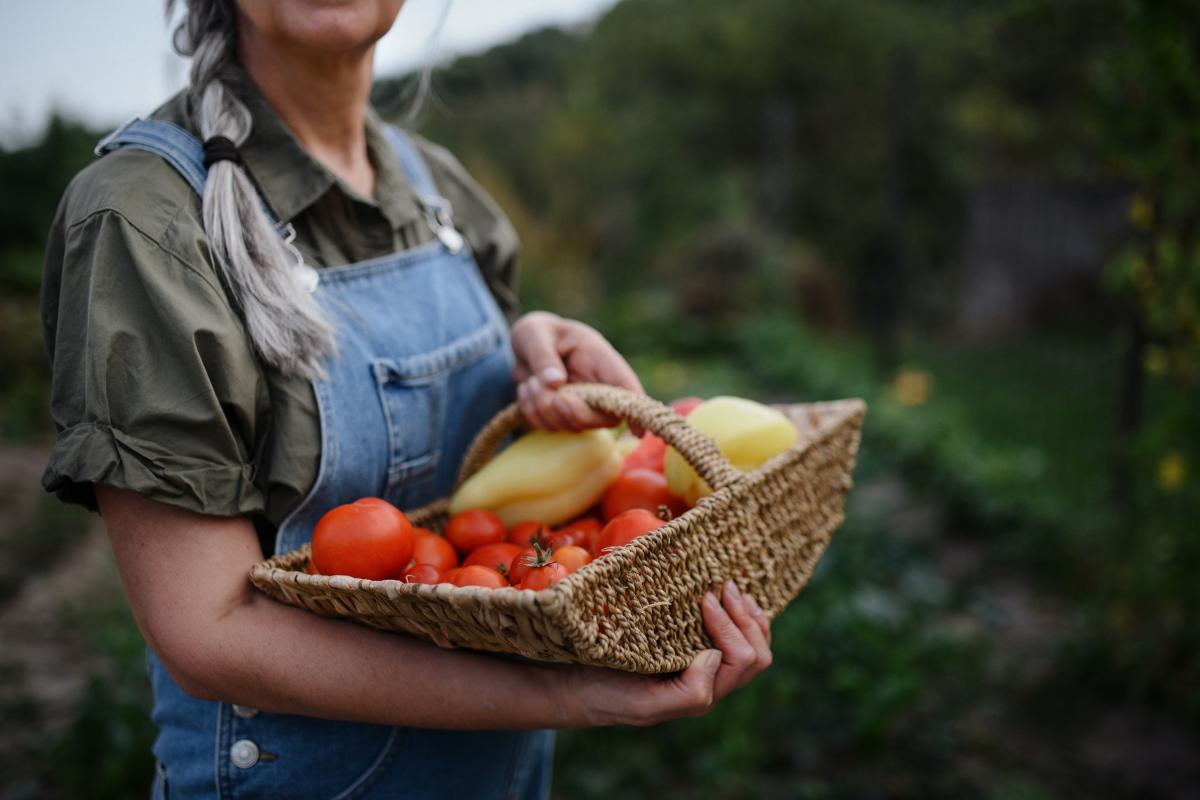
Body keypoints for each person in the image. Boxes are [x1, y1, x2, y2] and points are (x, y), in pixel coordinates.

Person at [40, 1, 775, 797]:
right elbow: (209, 633)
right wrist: (566, 694)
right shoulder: (144, 218)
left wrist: (528, 354)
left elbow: (476, 493)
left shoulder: (440, 190)